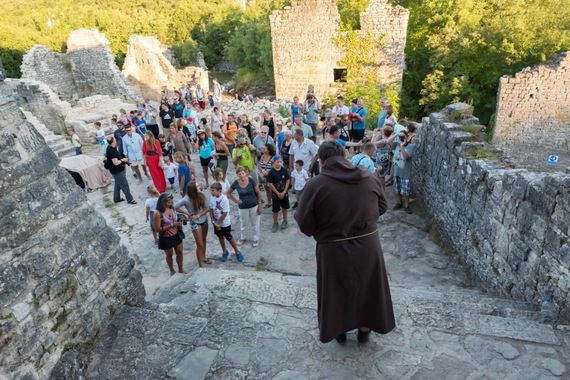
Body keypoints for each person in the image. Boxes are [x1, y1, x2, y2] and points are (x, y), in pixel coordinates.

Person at [294, 140, 395, 344]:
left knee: (336, 290)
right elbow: (383, 207)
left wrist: (324, 231)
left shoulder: (315, 185)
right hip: (368, 245)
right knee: (368, 288)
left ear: (321, 161)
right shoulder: (369, 178)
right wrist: (364, 222)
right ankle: (365, 330)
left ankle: (339, 330)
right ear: (345, 156)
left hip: (332, 248)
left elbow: (304, 223)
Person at [175, 183, 211, 267]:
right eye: (198, 186)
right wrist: (187, 213)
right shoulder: (186, 199)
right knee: (200, 244)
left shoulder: (202, 195)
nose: (200, 187)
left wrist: (198, 215)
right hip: (195, 223)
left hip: (204, 220)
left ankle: (203, 258)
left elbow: (208, 208)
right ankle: (201, 264)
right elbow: (175, 207)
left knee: (204, 239)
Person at [227, 166, 263, 248]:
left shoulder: (251, 180)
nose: (241, 175)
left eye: (243, 173)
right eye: (239, 174)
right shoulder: (236, 183)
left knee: (255, 223)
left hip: (254, 205)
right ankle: (243, 237)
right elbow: (228, 193)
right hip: (243, 207)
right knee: (243, 223)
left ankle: (255, 238)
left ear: (245, 173)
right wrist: (236, 201)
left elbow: (258, 193)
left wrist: (260, 204)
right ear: (237, 175)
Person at [209, 182, 244, 262]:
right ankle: (224, 251)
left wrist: (218, 223)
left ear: (219, 190)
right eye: (211, 190)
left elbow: (225, 212)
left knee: (228, 237)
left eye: (213, 190)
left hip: (224, 223)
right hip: (216, 222)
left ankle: (237, 251)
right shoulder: (212, 198)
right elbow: (211, 209)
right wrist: (213, 221)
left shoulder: (224, 199)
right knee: (220, 237)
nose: (211, 192)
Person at [154, 193, 185, 275]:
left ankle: (181, 269)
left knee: (180, 252)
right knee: (169, 254)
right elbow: (157, 229)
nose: (171, 202)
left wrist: (179, 222)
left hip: (176, 234)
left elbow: (174, 219)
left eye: (172, 200)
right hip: (165, 237)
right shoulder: (158, 213)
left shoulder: (172, 208)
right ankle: (172, 270)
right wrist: (172, 225)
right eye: (169, 201)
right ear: (163, 202)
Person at [105, 136, 136, 204]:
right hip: (117, 171)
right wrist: (123, 160)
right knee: (124, 185)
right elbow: (115, 163)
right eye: (115, 139)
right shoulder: (111, 151)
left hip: (116, 170)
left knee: (118, 184)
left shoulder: (112, 147)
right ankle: (130, 199)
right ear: (113, 141)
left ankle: (116, 199)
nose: (116, 140)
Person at [392, 129, 416, 213]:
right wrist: (395, 135)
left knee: (406, 191)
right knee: (396, 189)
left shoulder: (411, 146)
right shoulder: (396, 144)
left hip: (405, 173)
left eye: (403, 136)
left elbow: (406, 157)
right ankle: (399, 203)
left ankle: (406, 205)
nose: (401, 138)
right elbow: (387, 142)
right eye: (400, 137)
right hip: (396, 172)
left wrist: (402, 146)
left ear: (407, 137)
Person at [267, 155, 290, 232]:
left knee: (284, 207)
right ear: (273, 162)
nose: (279, 163)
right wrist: (278, 193)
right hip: (275, 195)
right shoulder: (271, 172)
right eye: (278, 162)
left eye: (280, 161)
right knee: (275, 210)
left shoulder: (284, 170)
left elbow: (287, 180)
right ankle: (275, 223)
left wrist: (284, 191)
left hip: (284, 193)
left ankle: (285, 220)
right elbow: (270, 184)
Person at [257, 143, 276, 208]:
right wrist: (262, 172)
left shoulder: (272, 157)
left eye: (264, 148)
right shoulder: (262, 156)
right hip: (263, 176)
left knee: (271, 189)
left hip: (271, 176)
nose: (263, 149)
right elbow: (259, 166)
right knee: (267, 190)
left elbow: (274, 168)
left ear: (269, 150)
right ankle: (269, 202)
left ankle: (274, 201)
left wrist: (267, 172)